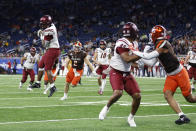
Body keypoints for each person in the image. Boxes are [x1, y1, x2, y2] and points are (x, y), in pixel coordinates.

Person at [131, 25, 196, 125]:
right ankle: (182, 116)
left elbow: (148, 56)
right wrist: (141, 52)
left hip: (179, 73)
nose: (150, 36)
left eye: (152, 34)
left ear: (155, 34)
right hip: (171, 75)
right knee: (167, 94)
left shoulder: (163, 44)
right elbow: (151, 63)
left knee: (190, 99)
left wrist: (135, 51)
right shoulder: (159, 45)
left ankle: (182, 116)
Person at [99, 22, 141, 127]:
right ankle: (106, 108)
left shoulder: (134, 43)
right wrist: (142, 55)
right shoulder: (121, 42)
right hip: (116, 71)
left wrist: (134, 63)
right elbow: (126, 58)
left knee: (137, 96)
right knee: (118, 93)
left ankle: (131, 118)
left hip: (126, 72)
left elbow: (130, 58)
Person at [31, 15, 60, 97]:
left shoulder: (49, 31)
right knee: (40, 65)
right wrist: (43, 33)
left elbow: (44, 44)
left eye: (43, 23)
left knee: (48, 69)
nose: (42, 25)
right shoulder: (52, 26)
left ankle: (52, 87)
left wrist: (41, 36)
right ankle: (38, 83)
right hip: (51, 49)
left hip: (52, 50)